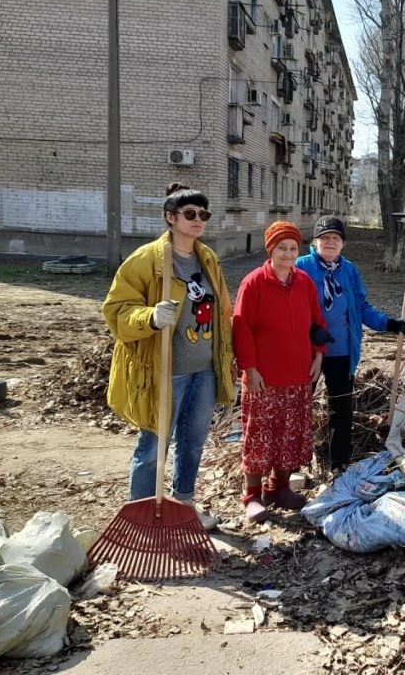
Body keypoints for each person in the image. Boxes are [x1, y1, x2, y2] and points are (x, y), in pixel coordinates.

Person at [103, 183, 235, 531]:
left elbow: (222, 312)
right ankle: (143, 515)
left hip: (204, 371)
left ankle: (184, 506)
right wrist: (148, 317)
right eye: (190, 214)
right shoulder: (146, 260)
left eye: (203, 215)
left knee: (192, 444)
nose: (198, 221)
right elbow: (116, 310)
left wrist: (226, 357)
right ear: (170, 218)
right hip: (164, 371)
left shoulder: (208, 259)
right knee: (152, 448)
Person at [295, 216, 405, 472]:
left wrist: (388, 324)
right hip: (308, 350)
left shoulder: (349, 270)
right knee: (300, 405)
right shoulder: (301, 266)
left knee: (341, 408)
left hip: (341, 351)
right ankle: (294, 461)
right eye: (324, 238)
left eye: (335, 238)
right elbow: (290, 305)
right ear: (315, 241)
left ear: (342, 244)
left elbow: (361, 306)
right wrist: (309, 330)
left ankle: (339, 462)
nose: (330, 242)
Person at [232, 221, 327, 523]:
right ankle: (252, 495)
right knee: (259, 436)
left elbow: (317, 324)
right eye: (281, 248)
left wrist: (318, 355)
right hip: (263, 378)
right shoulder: (254, 282)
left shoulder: (304, 282)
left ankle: (279, 488)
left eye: (292, 248)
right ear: (270, 249)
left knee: (289, 434)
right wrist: (249, 367)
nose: (287, 254)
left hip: (298, 375)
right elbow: (241, 329)